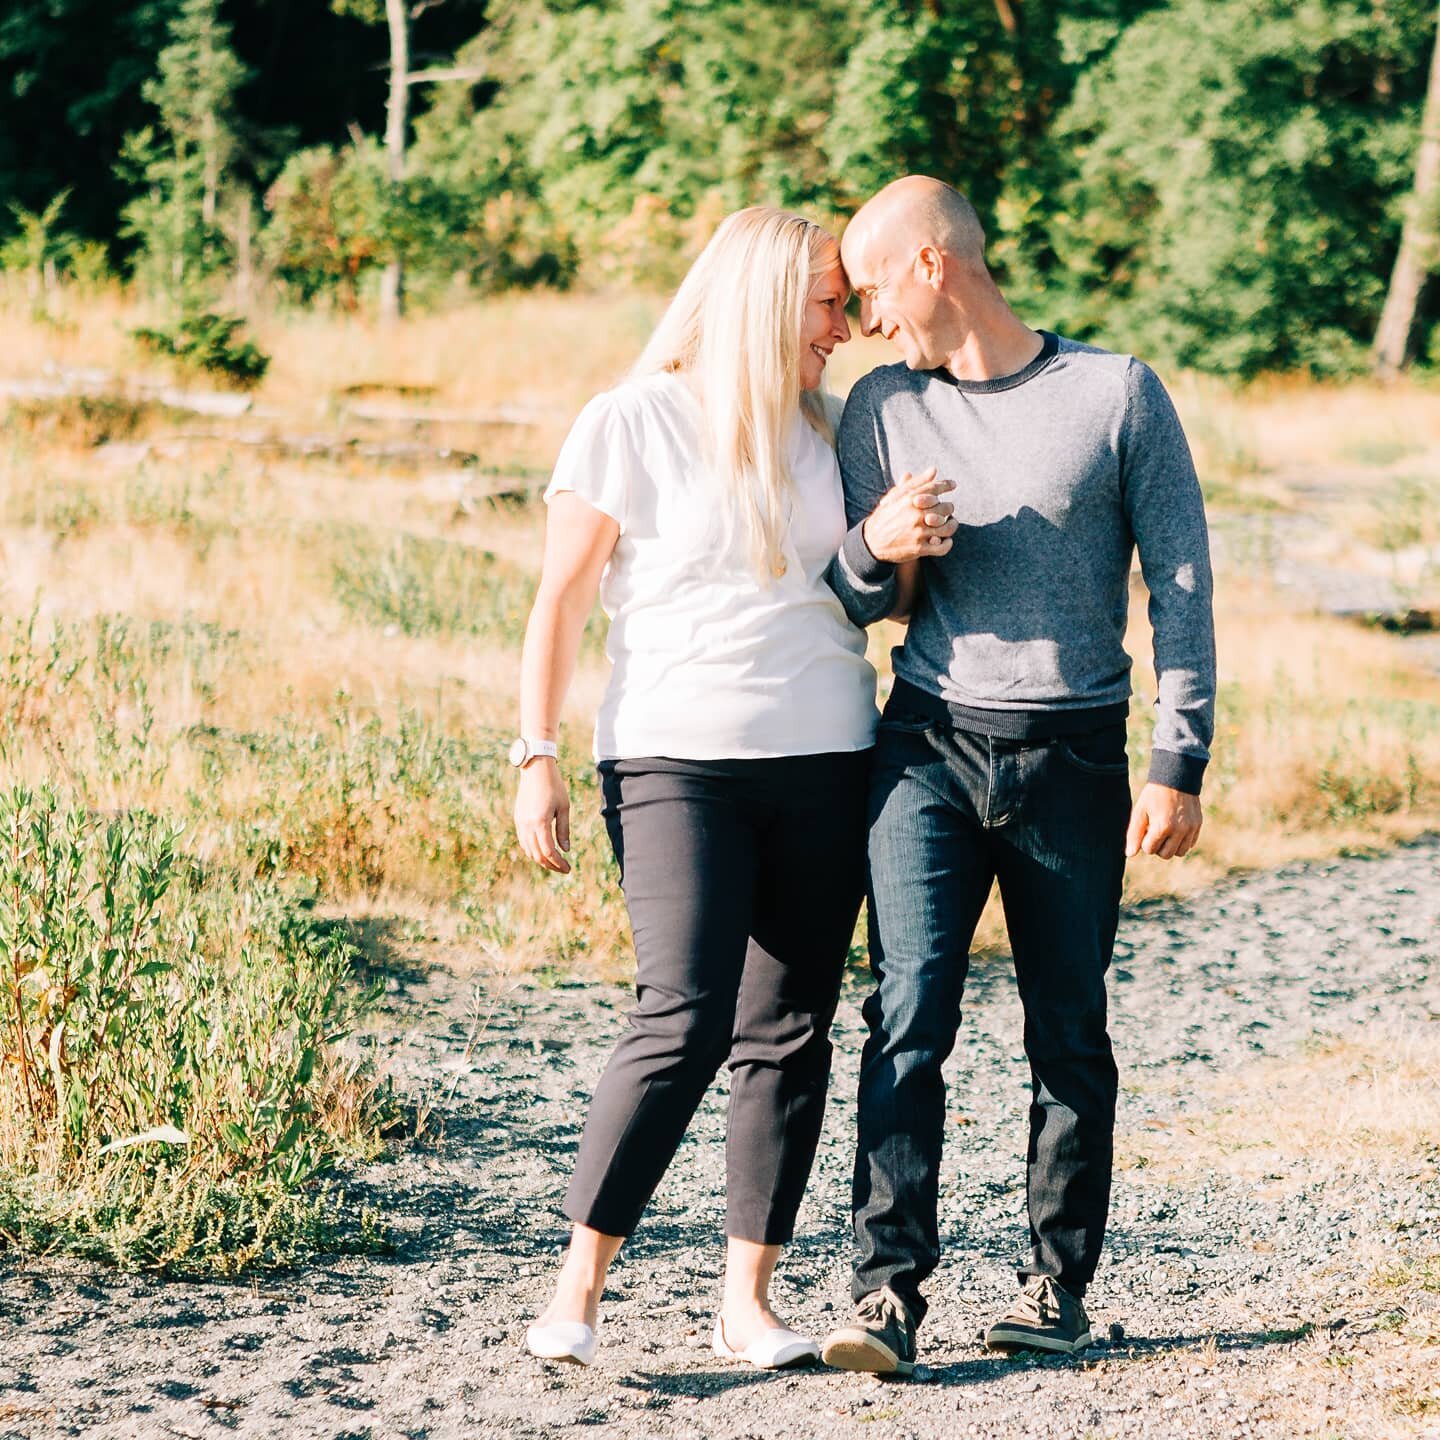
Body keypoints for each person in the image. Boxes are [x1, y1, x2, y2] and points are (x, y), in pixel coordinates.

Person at [511, 206, 952, 1370]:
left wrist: (898, 547)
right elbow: (559, 600)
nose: (845, 326)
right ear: (763, 299)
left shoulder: (833, 432)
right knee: (683, 1011)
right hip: (674, 760)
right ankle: (578, 1289)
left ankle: (746, 1304)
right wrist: (535, 751)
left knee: (788, 1029)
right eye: (826, 302)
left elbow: (874, 599)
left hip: (826, 757)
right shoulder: (629, 421)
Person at [818, 176, 1217, 1376]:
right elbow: (855, 599)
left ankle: (1058, 1285)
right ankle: (886, 1292)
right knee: (907, 1014)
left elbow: (1184, 588)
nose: (870, 319)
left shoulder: (1116, 393)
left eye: (876, 287)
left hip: (1078, 755)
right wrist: (875, 549)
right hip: (927, 746)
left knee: (1069, 1029)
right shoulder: (880, 409)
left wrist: (1177, 756)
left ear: (932, 266)